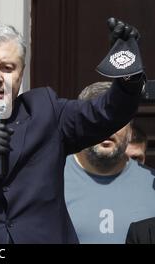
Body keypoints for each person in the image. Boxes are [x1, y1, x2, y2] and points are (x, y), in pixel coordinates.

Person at [0, 19, 145, 244]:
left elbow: (107, 114)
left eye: (7, 67)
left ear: (21, 72)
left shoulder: (45, 110)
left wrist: (127, 71)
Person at [64, 81, 155, 244]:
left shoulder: (151, 184)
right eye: (96, 117)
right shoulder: (50, 180)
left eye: (117, 118)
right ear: (79, 123)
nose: (107, 126)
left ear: (130, 129)